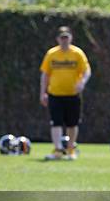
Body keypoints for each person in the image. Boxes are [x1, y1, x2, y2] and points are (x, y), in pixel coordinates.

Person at [39, 26, 91, 160]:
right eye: (62, 38)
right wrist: (42, 92)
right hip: (55, 94)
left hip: (72, 94)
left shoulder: (77, 53)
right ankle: (57, 150)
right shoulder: (52, 54)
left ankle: (70, 149)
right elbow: (45, 74)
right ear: (57, 39)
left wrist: (83, 82)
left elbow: (87, 70)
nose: (64, 40)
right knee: (55, 122)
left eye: (66, 37)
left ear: (71, 38)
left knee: (72, 123)